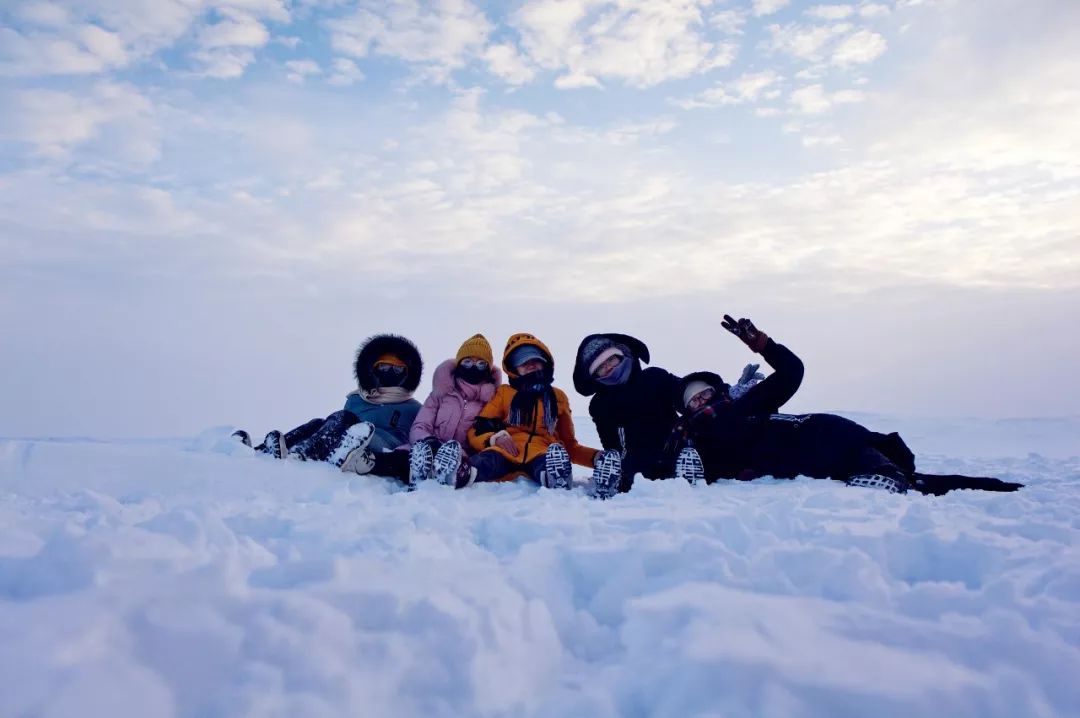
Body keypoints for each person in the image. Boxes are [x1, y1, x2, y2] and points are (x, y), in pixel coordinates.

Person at [668, 315, 1024, 496]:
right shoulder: (695, 441)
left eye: (704, 393)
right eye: (691, 401)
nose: (699, 401)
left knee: (882, 468)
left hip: (823, 435)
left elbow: (793, 371)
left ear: (718, 393)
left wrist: (763, 344)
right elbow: (708, 470)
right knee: (871, 473)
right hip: (813, 463)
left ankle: (892, 477)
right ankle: (893, 478)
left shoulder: (742, 406)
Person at [430, 333, 614, 489]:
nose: (530, 364)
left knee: (549, 463)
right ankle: (460, 472)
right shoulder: (504, 393)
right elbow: (478, 428)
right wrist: (495, 438)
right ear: (513, 368)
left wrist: (596, 458)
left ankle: (555, 477)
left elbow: (570, 445)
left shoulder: (558, 397)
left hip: (542, 451)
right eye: (523, 361)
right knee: (488, 460)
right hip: (505, 450)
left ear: (545, 362)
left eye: (536, 359)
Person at [234, 334, 423, 468]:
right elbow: (334, 428)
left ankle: (303, 453)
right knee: (320, 422)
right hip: (346, 438)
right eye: (384, 367)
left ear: (407, 374)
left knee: (344, 419)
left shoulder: (413, 408)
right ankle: (266, 450)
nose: (390, 373)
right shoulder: (357, 399)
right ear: (373, 369)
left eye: (397, 370)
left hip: (378, 445)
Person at [339, 334, 503, 487]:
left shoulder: (492, 402)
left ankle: (441, 475)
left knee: (458, 464)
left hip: (459, 456)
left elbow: (484, 436)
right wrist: (429, 441)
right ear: (459, 364)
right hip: (424, 450)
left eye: (481, 364)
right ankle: (368, 462)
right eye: (467, 362)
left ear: (488, 369)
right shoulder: (440, 394)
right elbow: (419, 426)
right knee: (401, 458)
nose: (473, 367)